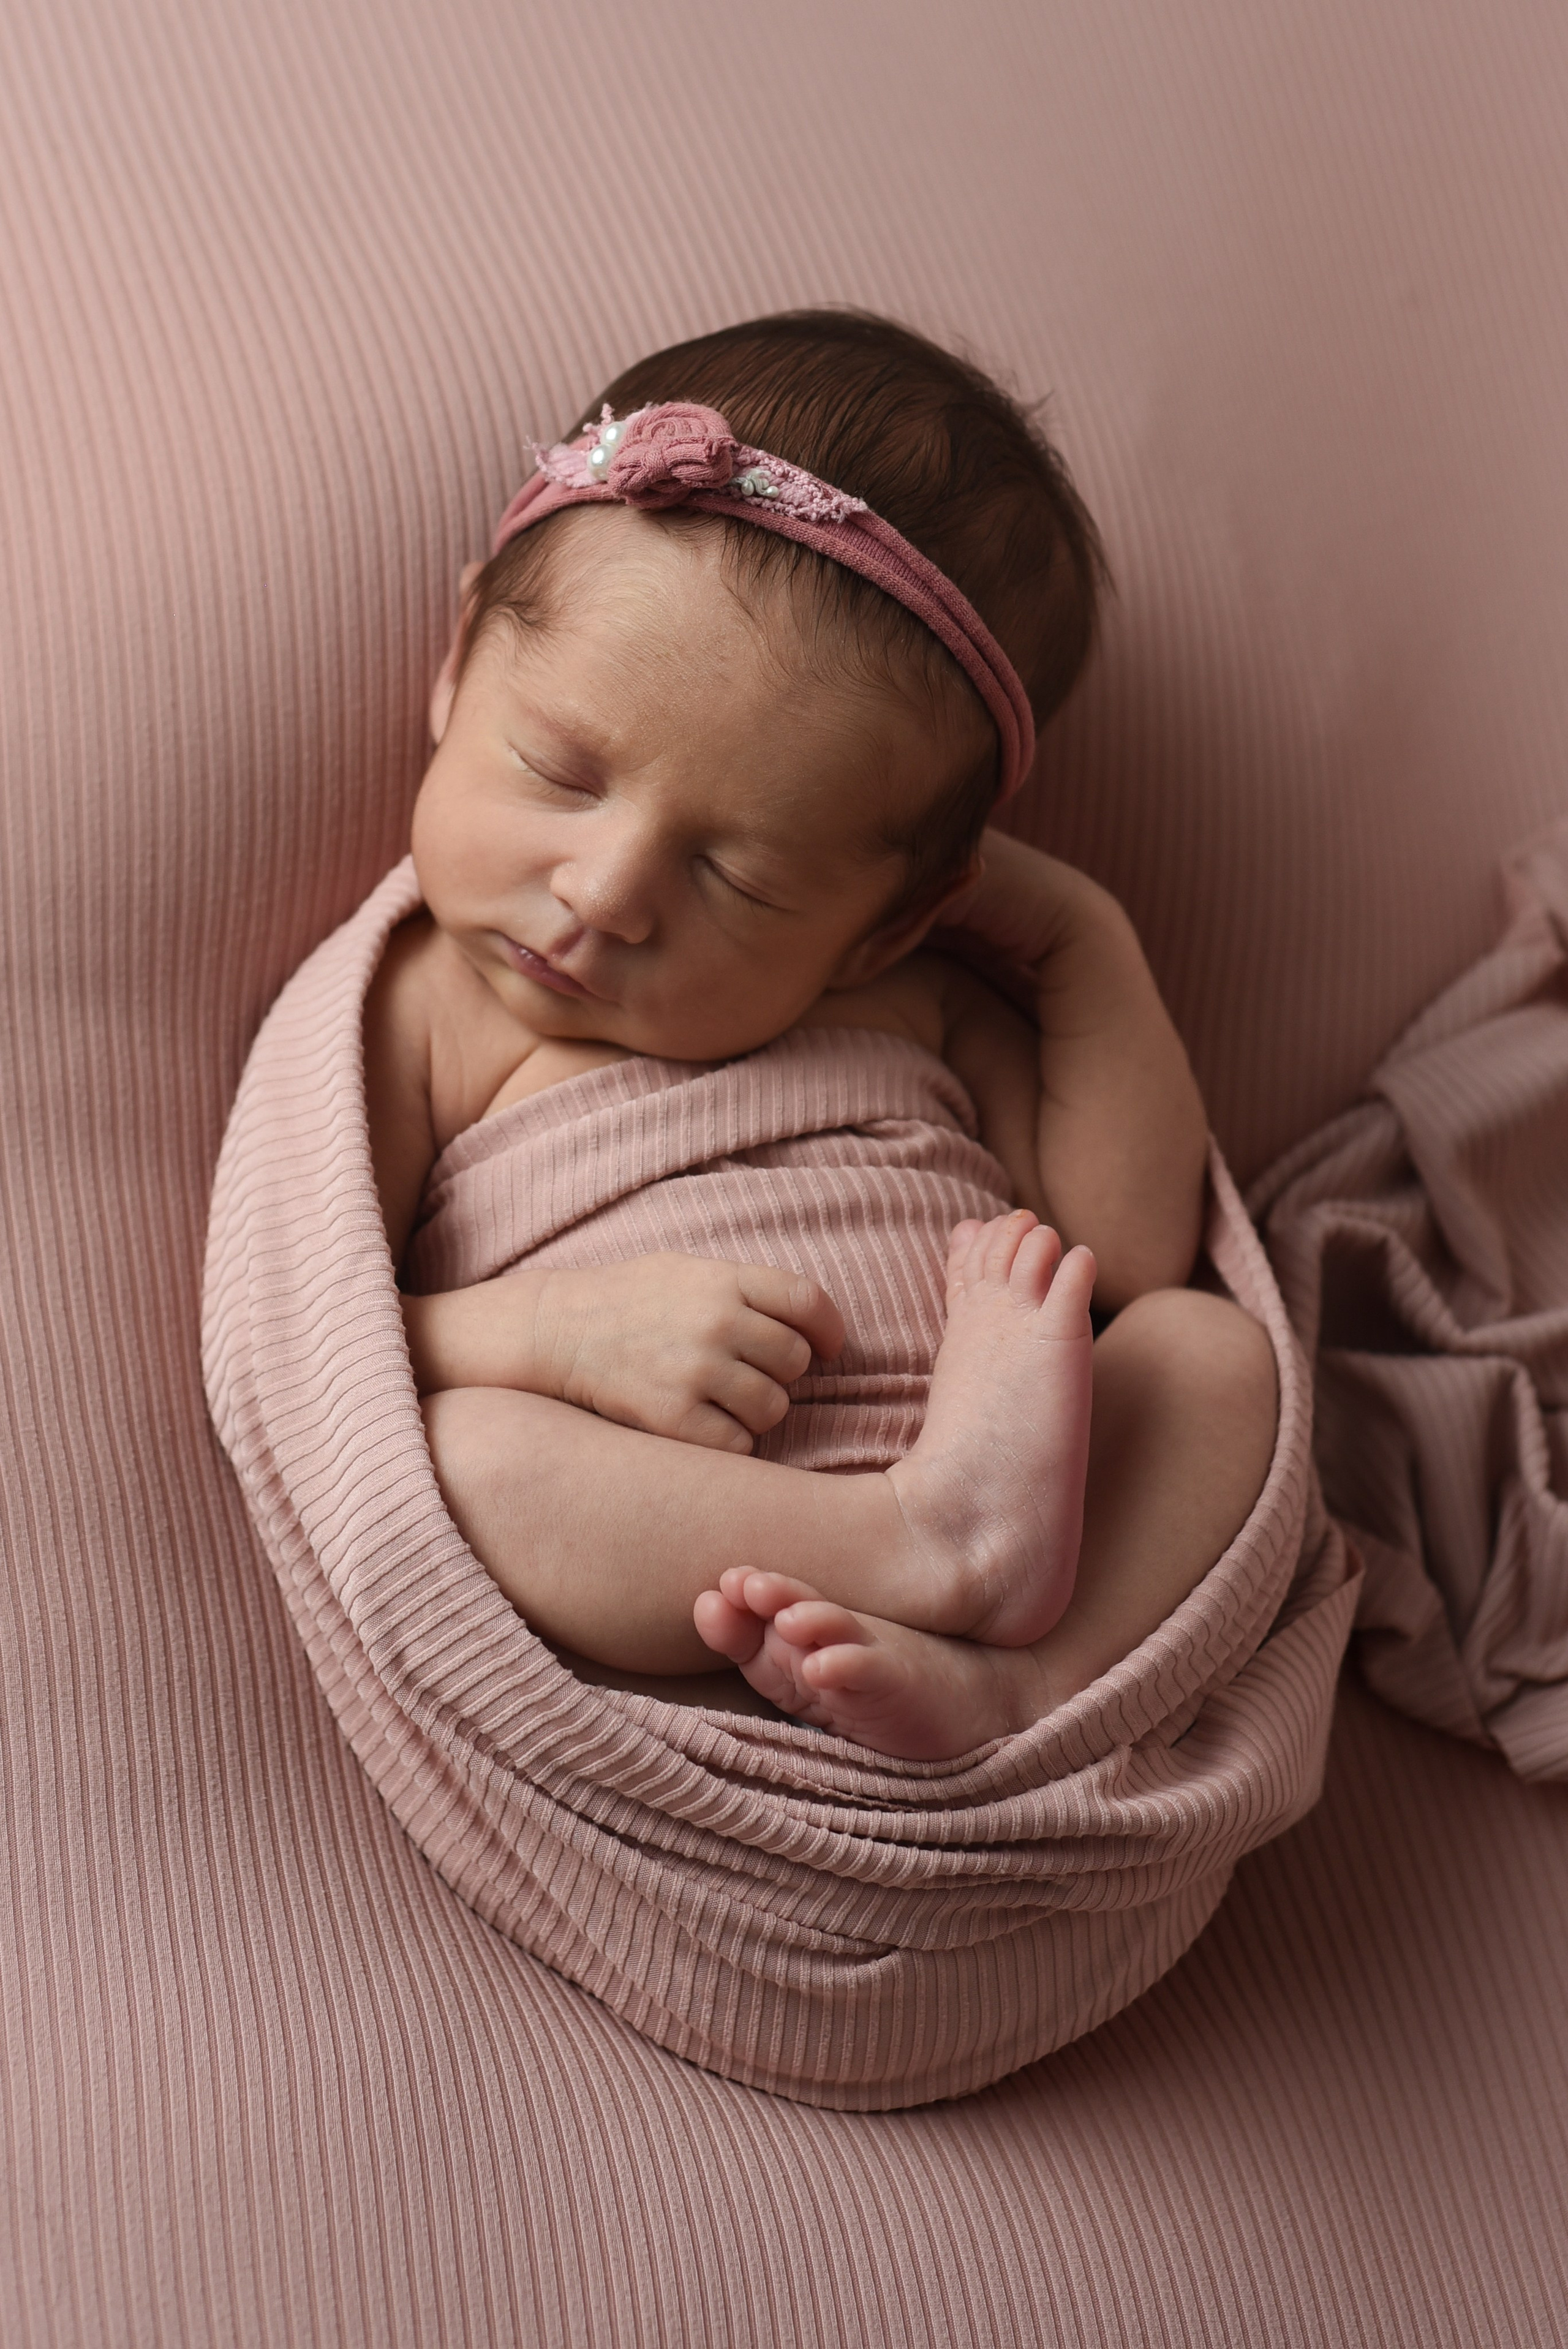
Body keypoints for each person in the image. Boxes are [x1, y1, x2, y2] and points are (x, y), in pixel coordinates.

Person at [363, 310, 1277, 1760]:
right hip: (698, 1547)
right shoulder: (424, 1004)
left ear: (887, 921)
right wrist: (546, 1335)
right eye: (556, 768)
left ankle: (1035, 1696)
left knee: (1209, 1357)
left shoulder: (905, 995)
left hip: (1012, 1552)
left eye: (742, 876)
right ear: (459, 650)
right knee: (474, 1458)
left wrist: (1078, 937)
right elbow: (322, 1340)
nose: (602, 895)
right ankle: (914, 1544)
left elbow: (1129, 1251)